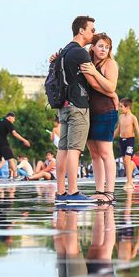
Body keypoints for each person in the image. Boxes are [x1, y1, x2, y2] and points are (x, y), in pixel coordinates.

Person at [52, 15, 96, 205]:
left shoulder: (63, 51)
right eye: (91, 30)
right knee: (74, 149)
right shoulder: (80, 53)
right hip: (78, 105)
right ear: (81, 30)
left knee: (62, 148)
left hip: (63, 106)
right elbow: (92, 81)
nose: (93, 33)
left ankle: (61, 191)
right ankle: (73, 191)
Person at [83, 33, 119, 204]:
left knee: (106, 153)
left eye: (107, 47)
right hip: (89, 113)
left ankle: (109, 191)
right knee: (95, 154)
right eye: (100, 46)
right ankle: (99, 190)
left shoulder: (110, 64)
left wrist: (95, 74)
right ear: (92, 47)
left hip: (106, 111)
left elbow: (110, 86)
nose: (104, 49)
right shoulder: (88, 62)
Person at [0, 112, 30, 181]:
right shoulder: (8, 122)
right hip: (3, 144)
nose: (13, 121)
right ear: (9, 117)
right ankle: (15, 175)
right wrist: (24, 140)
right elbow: (14, 133)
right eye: (13, 119)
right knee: (10, 158)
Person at [116, 98, 139, 188]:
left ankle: (129, 182)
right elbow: (118, 129)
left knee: (127, 160)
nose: (120, 108)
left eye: (121, 107)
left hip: (130, 140)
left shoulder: (133, 118)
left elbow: (138, 131)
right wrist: (109, 138)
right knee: (125, 162)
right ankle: (133, 166)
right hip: (121, 140)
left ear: (128, 107)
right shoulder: (120, 117)